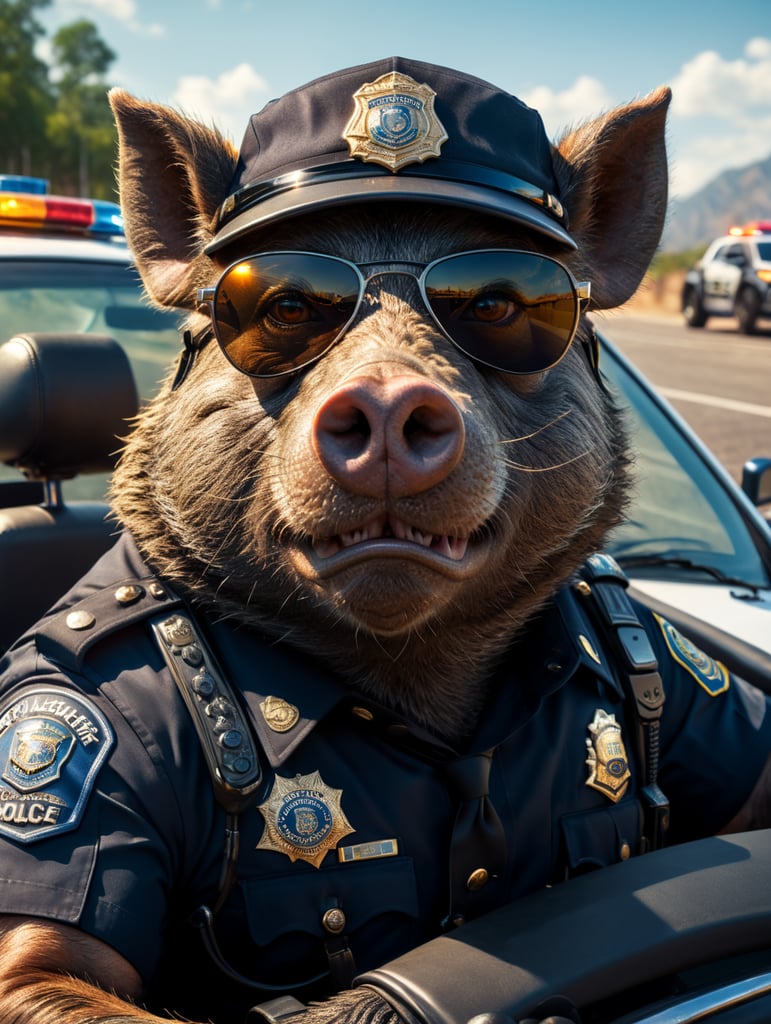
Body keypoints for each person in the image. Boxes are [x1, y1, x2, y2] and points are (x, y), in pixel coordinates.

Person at [0, 56, 769, 1024]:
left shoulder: (618, 651)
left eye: (497, 304)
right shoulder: (113, 706)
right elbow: (28, 991)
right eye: (287, 309)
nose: (388, 388)